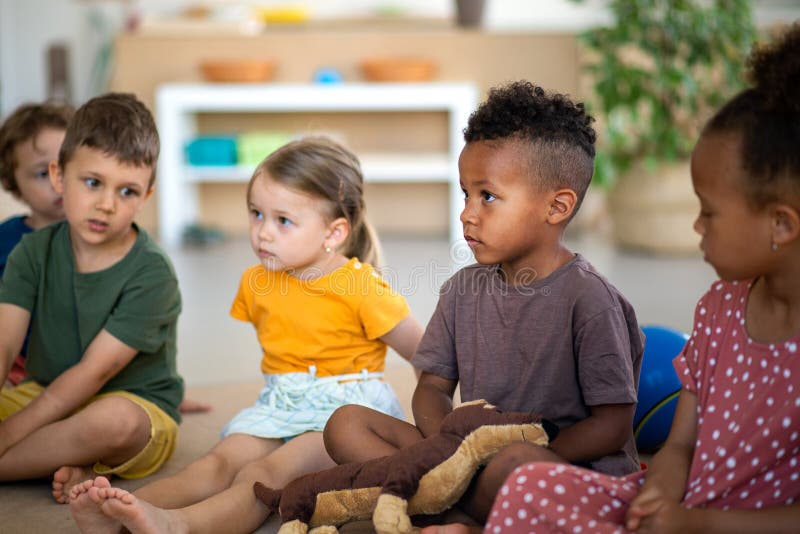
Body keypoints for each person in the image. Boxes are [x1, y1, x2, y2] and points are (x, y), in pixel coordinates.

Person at [472, 24, 800, 534]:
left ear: (780, 223)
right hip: (683, 510)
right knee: (526, 484)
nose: (697, 225)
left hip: (730, 525)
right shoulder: (719, 309)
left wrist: (698, 523)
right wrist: (658, 496)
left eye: (709, 213)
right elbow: (681, 445)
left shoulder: (590, 296)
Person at [323, 79, 646, 527]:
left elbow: (611, 426)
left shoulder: (590, 300)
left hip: (561, 471)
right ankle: (458, 511)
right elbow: (433, 388)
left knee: (513, 467)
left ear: (556, 207)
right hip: (470, 459)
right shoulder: (462, 290)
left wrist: (532, 453)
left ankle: (451, 513)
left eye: (487, 196)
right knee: (347, 424)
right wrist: (449, 447)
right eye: (466, 194)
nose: (467, 213)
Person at [69, 136, 425, 534]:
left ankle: (178, 526)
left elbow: (425, 355)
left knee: (265, 472)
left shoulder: (361, 286)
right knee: (214, 463)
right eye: (256, 214)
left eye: (282, 220)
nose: (263, 233)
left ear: (334, 232)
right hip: (280, 404)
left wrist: (432, 431)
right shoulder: (256, 282)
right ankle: (122, 514)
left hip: (343, 413)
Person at [0, 93, 185, 504]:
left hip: (131, 403)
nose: (106, 204)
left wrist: (9, 434)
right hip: (43, 390)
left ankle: (22, 459)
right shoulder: (30, 252)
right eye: (93, 182)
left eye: (127, 191)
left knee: (112, 424)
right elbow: (5, 345)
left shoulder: (152, 273)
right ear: (59, 176)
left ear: (146, 196)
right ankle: (63, 459)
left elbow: (92, 374)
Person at [0, 101, 211, 414]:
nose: (103, 201)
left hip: (106, 360)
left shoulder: (120, 248)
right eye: (43, 172)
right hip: (30, 363)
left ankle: (161, 395)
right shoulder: (17, 244)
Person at [0, 102, 74, 386]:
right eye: (44, 174)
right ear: (14, 183)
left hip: (92, 361)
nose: (59, 183)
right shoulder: (6, 239)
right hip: (21, 363)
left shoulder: (99, 236)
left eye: (68, 168)